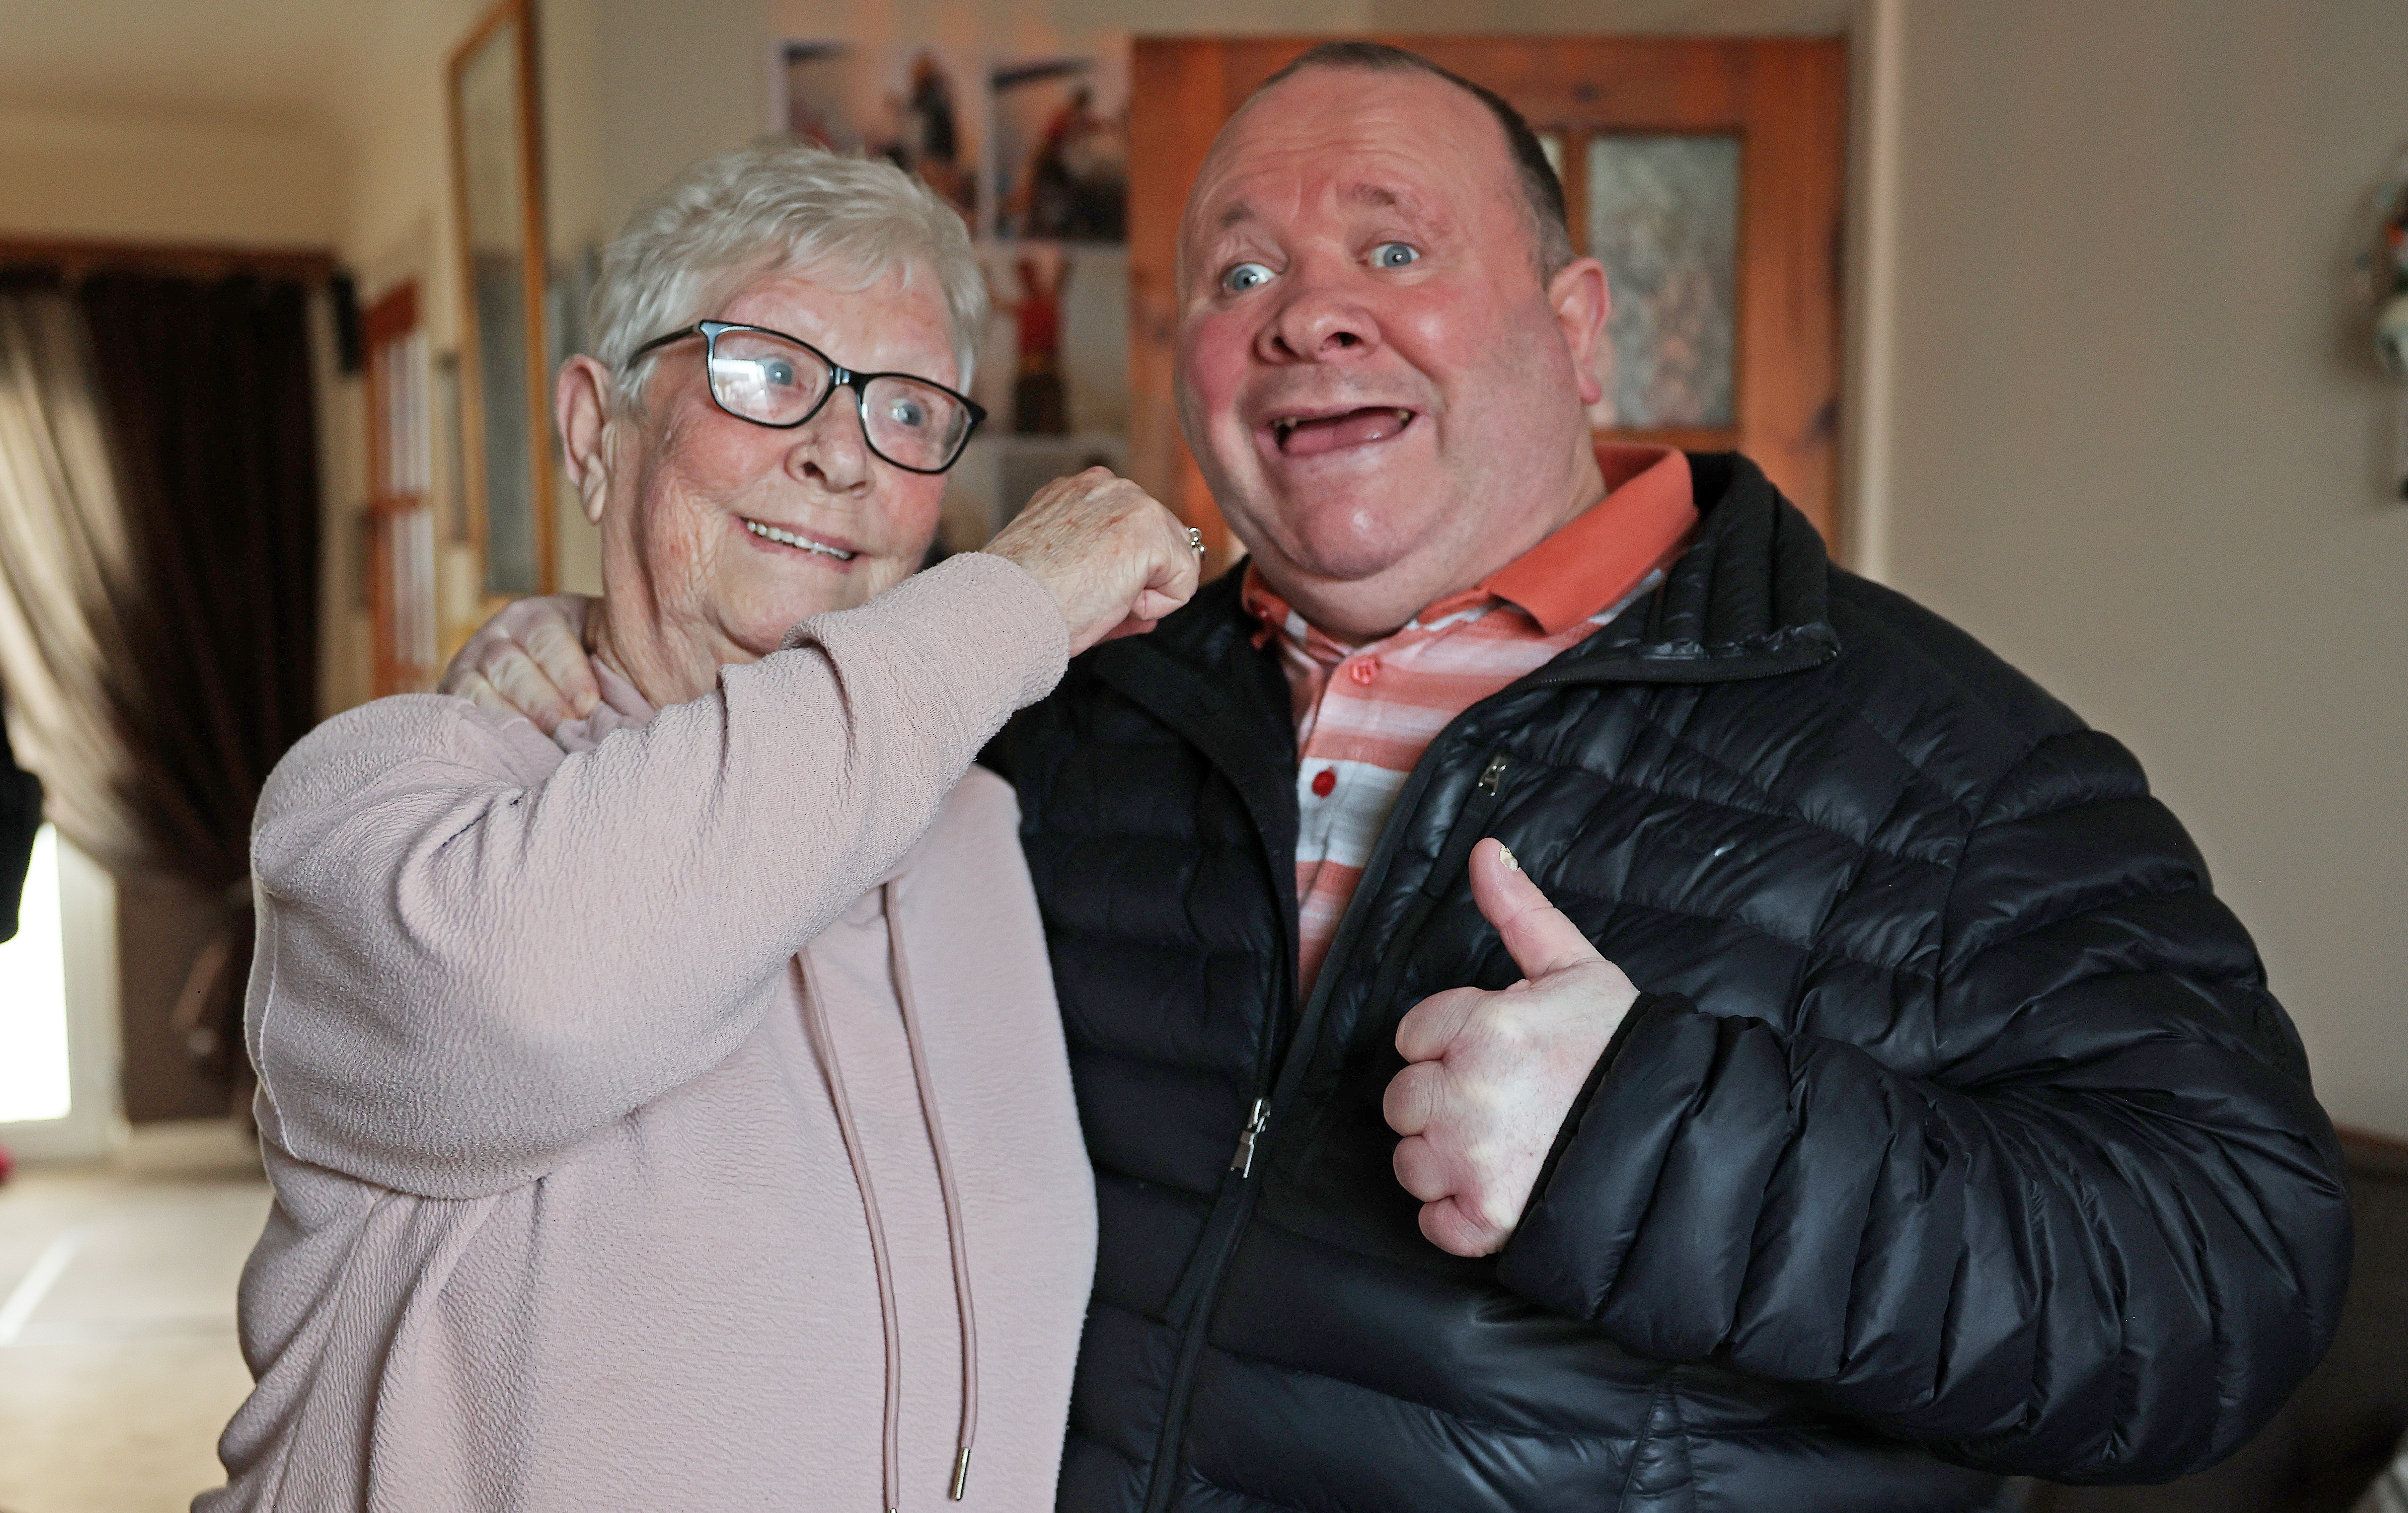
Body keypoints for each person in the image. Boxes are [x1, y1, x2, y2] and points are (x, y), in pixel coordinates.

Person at [448, 45, 2354, 1513]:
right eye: (1242, 268)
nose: (1306, 308)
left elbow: (2232, 1278)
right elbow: (762, 821)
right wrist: (605, 660)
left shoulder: (1944, 758)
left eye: (1394, 248)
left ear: (1579, 325)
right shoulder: (1065, 712)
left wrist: (1654, 1142)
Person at [202, 141, 1200, 1513]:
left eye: (909, 411)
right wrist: (1008, 605)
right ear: (594, 433)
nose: (840, 451)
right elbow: (538, 996)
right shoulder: (381, 805)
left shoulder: (982, 829)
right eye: (769, 373)